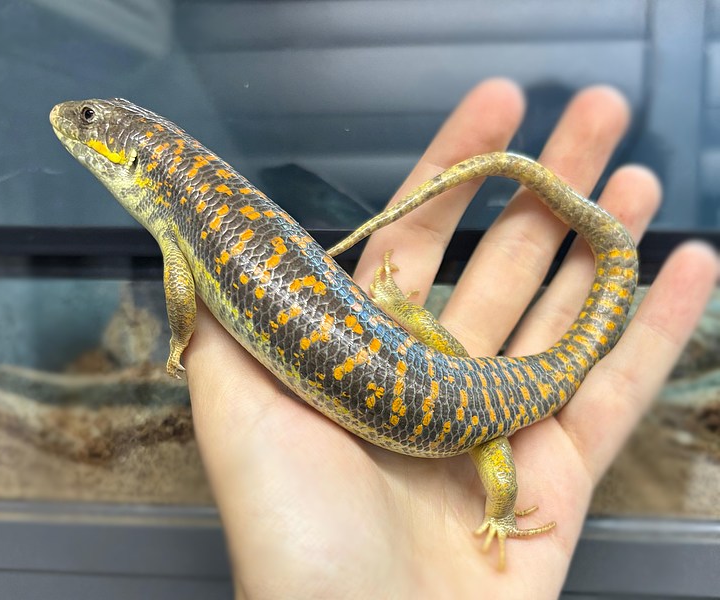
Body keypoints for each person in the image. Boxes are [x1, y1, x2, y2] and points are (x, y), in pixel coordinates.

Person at [182, 79, 719, 599]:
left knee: (493, 454)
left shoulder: (491, 435)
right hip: (463, 381)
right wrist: (394, 309)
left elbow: (497, 466)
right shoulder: (489, 439)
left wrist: (502, 510)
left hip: (475, 402)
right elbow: (458, 381)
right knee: (481, 422)